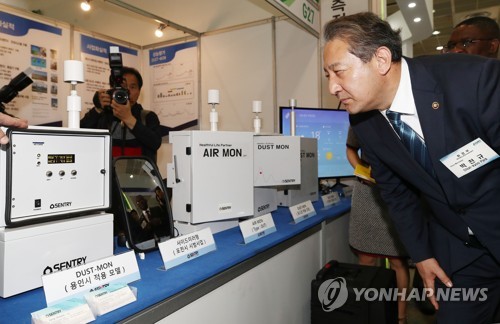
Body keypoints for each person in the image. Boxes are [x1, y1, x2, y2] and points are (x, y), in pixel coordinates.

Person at [322, 12, 500, 323]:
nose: (333, 88)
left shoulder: (473, 80)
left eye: (339, 72)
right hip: (462, 253)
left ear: (380, 59)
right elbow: (396, 194)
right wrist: (422, 255)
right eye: (327, 76)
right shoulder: (364, 122)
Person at [346, 126, 410, 323]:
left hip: (398, 192)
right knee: (366, 259)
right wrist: (363, 172)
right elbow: (350, 149)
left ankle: (400, 316)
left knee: (398, 261)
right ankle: (366, 312)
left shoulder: (400, 119)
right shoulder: (358, 118)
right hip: (367, 193)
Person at [80, 67, 162, 162]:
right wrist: (97, 109)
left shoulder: (148, 117)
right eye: (123, 88)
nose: (127, 92)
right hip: (107, 176)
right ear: (112, 90)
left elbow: (155, 143)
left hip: (140, 176)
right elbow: (79, 135)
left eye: (132, 87)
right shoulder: (103, 116)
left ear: (139, 91)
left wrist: (129, 119)